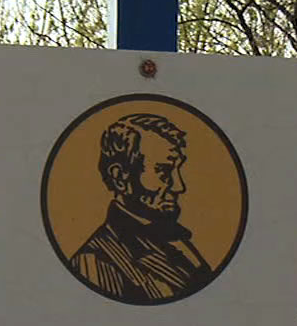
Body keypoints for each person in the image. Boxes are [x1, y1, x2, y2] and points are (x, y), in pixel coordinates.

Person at [68, 114, 215, 303]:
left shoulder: (176, 240)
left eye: (178, 169)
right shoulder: (95, 261)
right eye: (164, 171)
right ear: (120, 177)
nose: (179, 186)